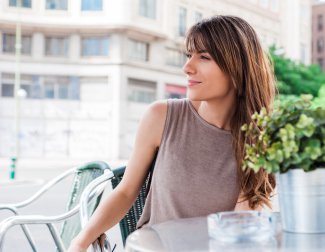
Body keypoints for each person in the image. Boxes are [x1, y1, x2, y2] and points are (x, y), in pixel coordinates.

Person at [68, 15, 276, 251]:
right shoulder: (161, 116)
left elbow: (240, 225)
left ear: (237, 67)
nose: (187, 67)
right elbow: (125, 192)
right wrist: (81, 241)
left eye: (204, 57)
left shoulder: (260, 137)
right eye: (189, 55)